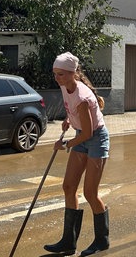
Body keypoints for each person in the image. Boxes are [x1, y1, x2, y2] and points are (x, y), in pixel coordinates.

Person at [45, 52, 111, 256]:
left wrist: (65, 144)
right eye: (55, 74)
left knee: (90, 192)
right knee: (68, 187)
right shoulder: (66, 85)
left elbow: (88, 133)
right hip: (81, 135)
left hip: (95, 139)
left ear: (73, 73)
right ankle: (68, 241)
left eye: (61, 74)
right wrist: (69, 119)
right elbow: (71, 107)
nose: (57, 78)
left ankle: (102, 240)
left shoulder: (83, 97)